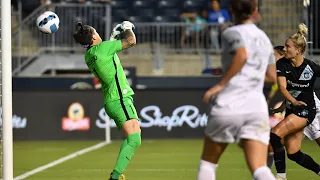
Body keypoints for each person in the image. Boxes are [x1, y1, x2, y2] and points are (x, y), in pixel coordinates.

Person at [198, 0, 277, 179]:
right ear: (255, 11)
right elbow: (272, 76)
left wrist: (220, 84)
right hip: (256, 108)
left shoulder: (231, 32)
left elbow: (241, 54)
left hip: (230, 104)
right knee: (260, 168)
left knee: (208, 164)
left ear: (231, 10)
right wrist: (251, 75)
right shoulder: (265, 38)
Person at [73, 21, 141, 180]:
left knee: (133, 137)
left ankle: (117, 175)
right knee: (134, 139)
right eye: (96, 31)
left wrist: (111, 39)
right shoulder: (103, 48)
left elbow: (107, 55)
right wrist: (127, 28)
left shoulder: (89, 55)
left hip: (112, 100)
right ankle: (115, 176)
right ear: (94, 37)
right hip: (119, 99)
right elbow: (131, 41)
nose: (98, 33)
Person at [270, 23, 320, 180]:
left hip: (307, 110)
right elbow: (284, 88)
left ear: (298, 50)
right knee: (293, 153)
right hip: (294, 108)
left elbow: (290, 90)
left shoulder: (311, 67)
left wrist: (293, 102)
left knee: (275, 135)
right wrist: (289, 103)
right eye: (284, 46)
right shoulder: (282, 64)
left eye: (288, 46)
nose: (285, 49)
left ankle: (281, 176)